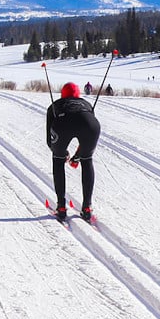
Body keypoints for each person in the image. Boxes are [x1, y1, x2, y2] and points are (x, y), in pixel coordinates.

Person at [46, 83, 100, 222]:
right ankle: (87, 207)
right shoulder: (87, 104)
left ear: (62, 94)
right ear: (78, 94)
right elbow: (84, 141)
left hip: (62, 125)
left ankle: (61, 207)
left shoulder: (54, 106)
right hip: (91, 124)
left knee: (57, 160)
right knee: (87, 160)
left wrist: (63, 154)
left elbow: (50, 142)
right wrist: (77, 157)